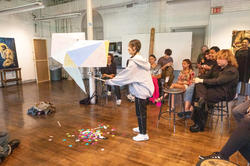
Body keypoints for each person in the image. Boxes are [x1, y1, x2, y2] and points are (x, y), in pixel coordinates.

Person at [105, 39, 154, 141]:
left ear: (134, 48)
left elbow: (125, 76)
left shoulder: (135, 62)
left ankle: (143, 133)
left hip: (142, 90)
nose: (128, 50)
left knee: (141, 112)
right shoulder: (139, 58)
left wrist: (111, 81)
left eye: (129, 48)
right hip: (140, 89)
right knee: (138, 111)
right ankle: (141, 127)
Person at [190, 49, 239, 132]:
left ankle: (199, 124)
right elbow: (207, 76)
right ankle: (200, 105)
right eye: (217, 58)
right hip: (215, 88)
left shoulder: (232, 70)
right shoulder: (217, 66)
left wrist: (201, 81)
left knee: (200, 97)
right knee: (199, 88)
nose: (217, 60)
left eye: (220, 59)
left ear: (228, 59)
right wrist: (198, 79)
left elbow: (218, 81)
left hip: (225, 92)